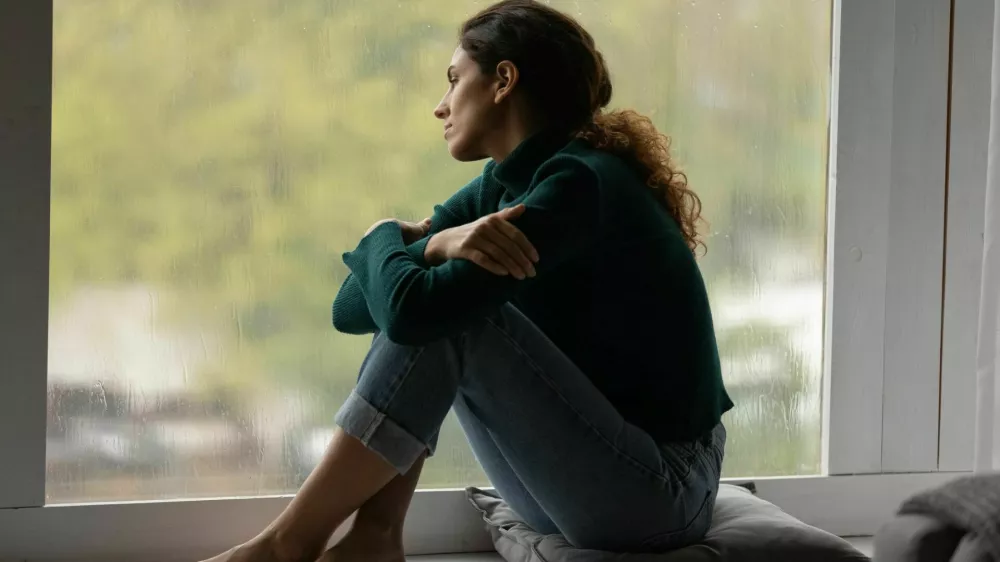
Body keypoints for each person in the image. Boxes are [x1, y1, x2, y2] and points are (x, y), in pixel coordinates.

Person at [203, 1, 733, 561]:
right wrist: (432, 244)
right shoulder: (501, 187)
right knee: (427, 302)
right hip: (586, 487)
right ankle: (374, 535)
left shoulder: (580, 184)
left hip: (663, 493)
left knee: (451, 318)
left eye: (454, 80)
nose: (441, 106)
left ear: (503, 80)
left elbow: (412, 312)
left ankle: (289, 545)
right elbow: (353, 307)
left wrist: (385, 231)